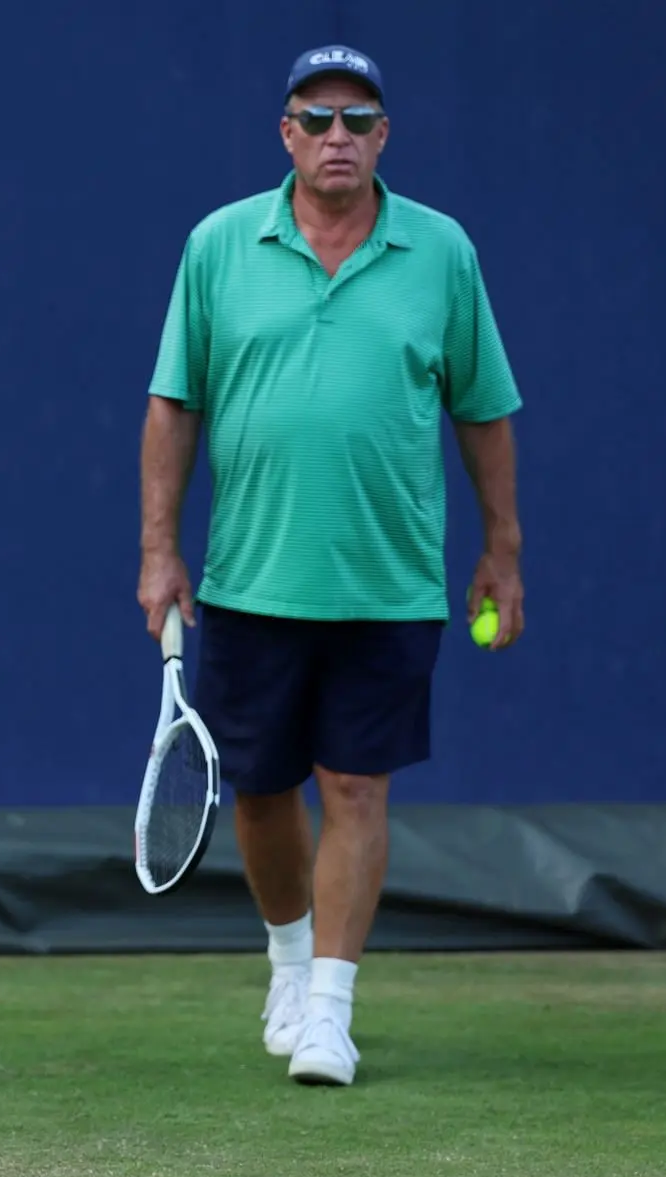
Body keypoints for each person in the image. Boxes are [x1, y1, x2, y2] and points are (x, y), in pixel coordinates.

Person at [137, 45, 524, 1087]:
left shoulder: (442, 253)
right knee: (259, 795)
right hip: (250, 580)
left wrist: (503, 550)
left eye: (358, 120)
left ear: (384, 135)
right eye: (317, 119)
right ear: (287, 133)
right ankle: (290, 959)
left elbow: (483, 409)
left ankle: (332, 1011)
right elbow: (175, 403)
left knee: (357, 785)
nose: (337, 137)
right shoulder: (220, 244)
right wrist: (159, 549)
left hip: (390, 581)